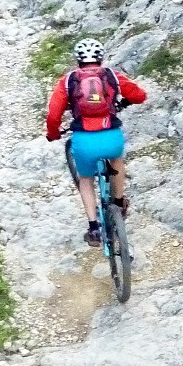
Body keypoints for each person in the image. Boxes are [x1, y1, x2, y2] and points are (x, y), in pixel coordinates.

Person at [46, 38, 147, 247]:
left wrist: (53, 133)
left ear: (78, 60)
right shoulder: (111, 76)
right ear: (101, 58)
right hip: (111, 137)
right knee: (117, 161)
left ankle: (93, 228)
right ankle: (119, 203)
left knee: (86, 179)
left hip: (84, 140)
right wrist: (124, 102)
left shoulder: (68, 80)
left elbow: (54, 115)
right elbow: (140, 95)